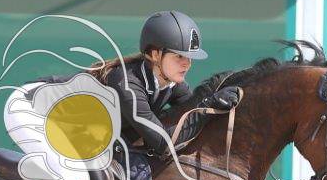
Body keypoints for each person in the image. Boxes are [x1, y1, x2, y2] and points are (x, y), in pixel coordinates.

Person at [92, 10, 239, 155]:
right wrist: (208, 107)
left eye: (189, 57)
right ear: (155, 55)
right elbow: (163, 143)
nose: (187, 64)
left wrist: (214, 105)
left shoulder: (173, 83)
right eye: (179, 56)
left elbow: (191, 112)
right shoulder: (127, 84)